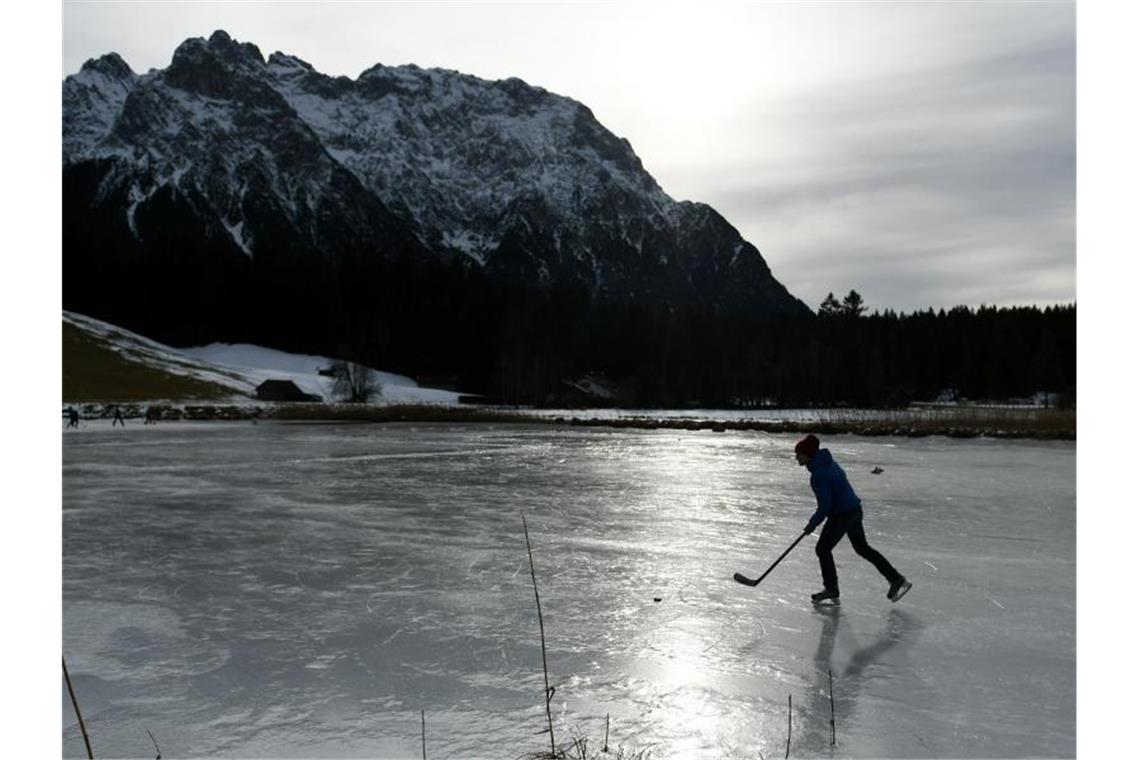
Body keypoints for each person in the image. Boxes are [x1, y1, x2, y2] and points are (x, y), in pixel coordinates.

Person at [795, 433, 911, 604]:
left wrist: (812, 524)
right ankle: (896, 579)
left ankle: (831, 589)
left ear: (808, 454)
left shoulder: (819, 474)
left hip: (842, 515)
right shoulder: (829, 463)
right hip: (854, 510)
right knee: (862, 548)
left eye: (799, 454)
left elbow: (825, 506)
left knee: (822, 549)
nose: (796, 457)